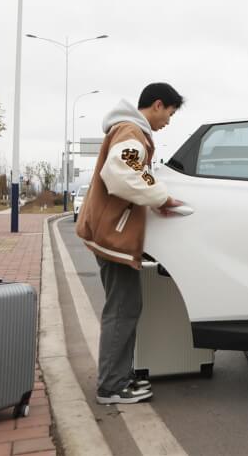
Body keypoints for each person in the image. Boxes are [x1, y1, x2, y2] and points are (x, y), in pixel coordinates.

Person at [76, 83, 185, 405]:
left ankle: (118, 378)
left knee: (125, 307)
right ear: (158, 104)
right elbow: (122, 173)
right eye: (170, 113)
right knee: (122, 309)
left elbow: (135, 173)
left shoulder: (129, 132)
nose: (169, 120)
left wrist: (156, 200)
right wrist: (161, 196)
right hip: (113, 235)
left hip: (113, 233)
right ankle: (111, 386)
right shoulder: (131, 132)